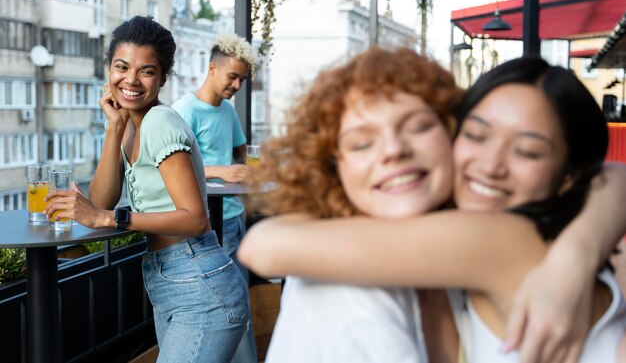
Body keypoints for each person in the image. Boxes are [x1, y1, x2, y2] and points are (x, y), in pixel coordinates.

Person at [240, 52, 626, 363]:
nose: (394, 149)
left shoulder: (503, 237)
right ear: (331, 165)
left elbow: (613, 174)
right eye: (477, 135)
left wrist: (579, 251)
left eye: (419, 127)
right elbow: (263, 246)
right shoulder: (344, 290)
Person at [44, 16, 250, 363]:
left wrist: (109, 219)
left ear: (162, 78)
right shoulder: (132, 125)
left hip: (199, 283)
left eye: (147, 71)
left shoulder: (159, 122)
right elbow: (101, 199)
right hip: (171, 277)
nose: (131, 80)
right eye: (121, 67)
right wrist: (116, 127)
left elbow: (196, 219)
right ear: (108, 69)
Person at [172, 33, 258, 362]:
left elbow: (239, 153)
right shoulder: (184, 111)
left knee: (240, 304)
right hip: (204, 224)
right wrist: (220, 170)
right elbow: (173, 167)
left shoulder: (228, 112)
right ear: (212, 68)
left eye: (241, 79)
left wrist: (238, 167)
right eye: (232, 76)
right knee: (216, 307)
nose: (236, 85)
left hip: (234, 218)